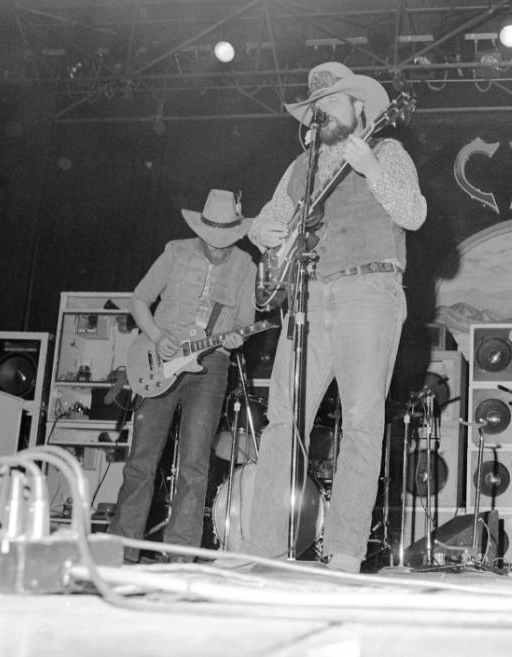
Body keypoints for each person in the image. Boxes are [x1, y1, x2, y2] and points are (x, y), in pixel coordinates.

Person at [245, 62, 426, 573]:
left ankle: (344, 552)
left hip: (368, 290)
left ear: (359, 106)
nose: (321, 112)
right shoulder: (299, 167)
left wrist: (370, 167)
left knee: (362, 422)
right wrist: (268, 237)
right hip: (307, 295)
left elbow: (413, 214)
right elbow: (264, 223)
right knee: (283, 420)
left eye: (332, 102)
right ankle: (262, 549)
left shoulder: (387, 151)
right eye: (315, 107)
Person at [109, 189, 256, 563]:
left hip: (211, 366)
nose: (218, 249)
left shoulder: (245, 266)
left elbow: (244, 322)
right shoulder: (175, 252)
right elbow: (138, 300)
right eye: (211, 240)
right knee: (142, 460)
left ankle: (181, 556)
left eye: (225, 241)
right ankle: (121, 550)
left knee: (195, 464)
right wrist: (158, 337)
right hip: (159, 359)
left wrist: (237, 338)